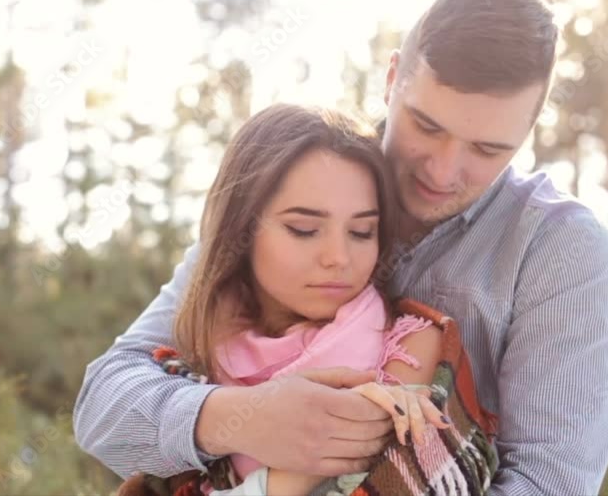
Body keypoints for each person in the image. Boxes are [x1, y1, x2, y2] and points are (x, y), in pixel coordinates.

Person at [74, 0, 608, 495]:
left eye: (487, 150)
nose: (441, 170)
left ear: (529, 130)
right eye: (426, 126)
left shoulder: (558, 249)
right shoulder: (297, 182)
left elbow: (551, 482)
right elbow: (104, 408)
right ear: (391, 79)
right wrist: (243, 420)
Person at [139, 103, 454, 494]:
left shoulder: (408, 346)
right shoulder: (198, 348)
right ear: (242, 228)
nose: (338, 258)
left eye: (361, 232)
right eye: (304, 229)